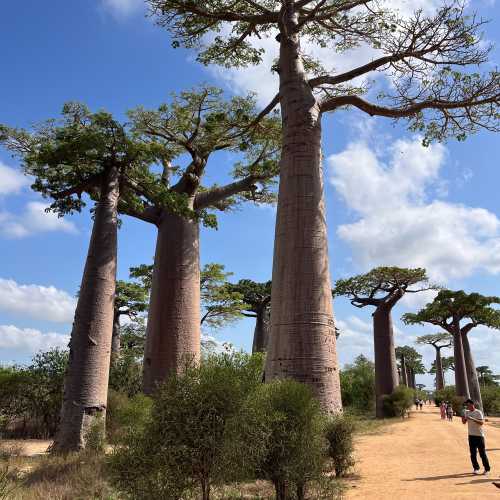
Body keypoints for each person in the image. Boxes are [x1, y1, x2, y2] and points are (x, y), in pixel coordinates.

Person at [461, 398, 490, 476]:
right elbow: (464, 422)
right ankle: (476, 468)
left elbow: (481, 423)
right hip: (471, 435)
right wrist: (463, 416)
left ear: (472, 404)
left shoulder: (478, 412)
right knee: (473, 454)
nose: (467, 406)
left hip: (479, 436)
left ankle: (487, 469)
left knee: (482, 453)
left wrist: (472, 418)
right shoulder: (467, 412)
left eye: (468, 404)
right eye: (466, 405)